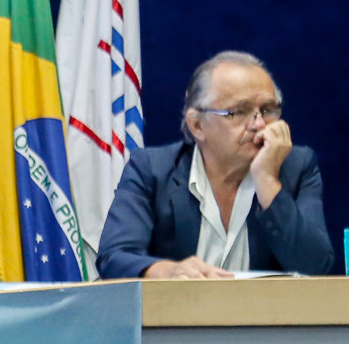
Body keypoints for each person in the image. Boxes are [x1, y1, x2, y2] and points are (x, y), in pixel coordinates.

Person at [95, 51, 331, 279]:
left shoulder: (297, 167)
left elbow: (316, 266)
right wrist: (166, 271)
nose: (259, 124)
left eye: (268, 110)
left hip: (267, 317)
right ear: (198, 125)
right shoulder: (151, 169)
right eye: (239, 112)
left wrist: (268, 181)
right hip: (179, 316)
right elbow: (114, 257)